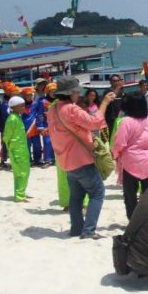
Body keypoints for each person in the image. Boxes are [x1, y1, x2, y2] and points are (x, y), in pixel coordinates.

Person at [47, 76, 115, 239]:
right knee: (97, 192)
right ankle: (88, 231)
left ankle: (77, 229)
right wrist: (104, 103)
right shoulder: (71, 109)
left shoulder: (53, 109)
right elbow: (95, 123)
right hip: (81, 159)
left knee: (76, 197)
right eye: (77, 91)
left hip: (65, 160)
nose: (79, 94)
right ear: (70, 93)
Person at [113, 92, 148, 219]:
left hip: (131, 162)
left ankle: (133, 220)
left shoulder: (126, 121)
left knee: (130, 195)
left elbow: (119, 143)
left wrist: (115, 155)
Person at [4, 96, 31, 202]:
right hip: (17, 150)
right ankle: (19, 195)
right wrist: (11, 149)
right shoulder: (12, 119)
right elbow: (7, 137)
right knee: (20, 173)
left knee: (25, 171)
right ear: (15, 107)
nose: (24, 108)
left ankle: (21, 192)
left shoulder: (18, 117)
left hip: (22, 148)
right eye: (22, 106)